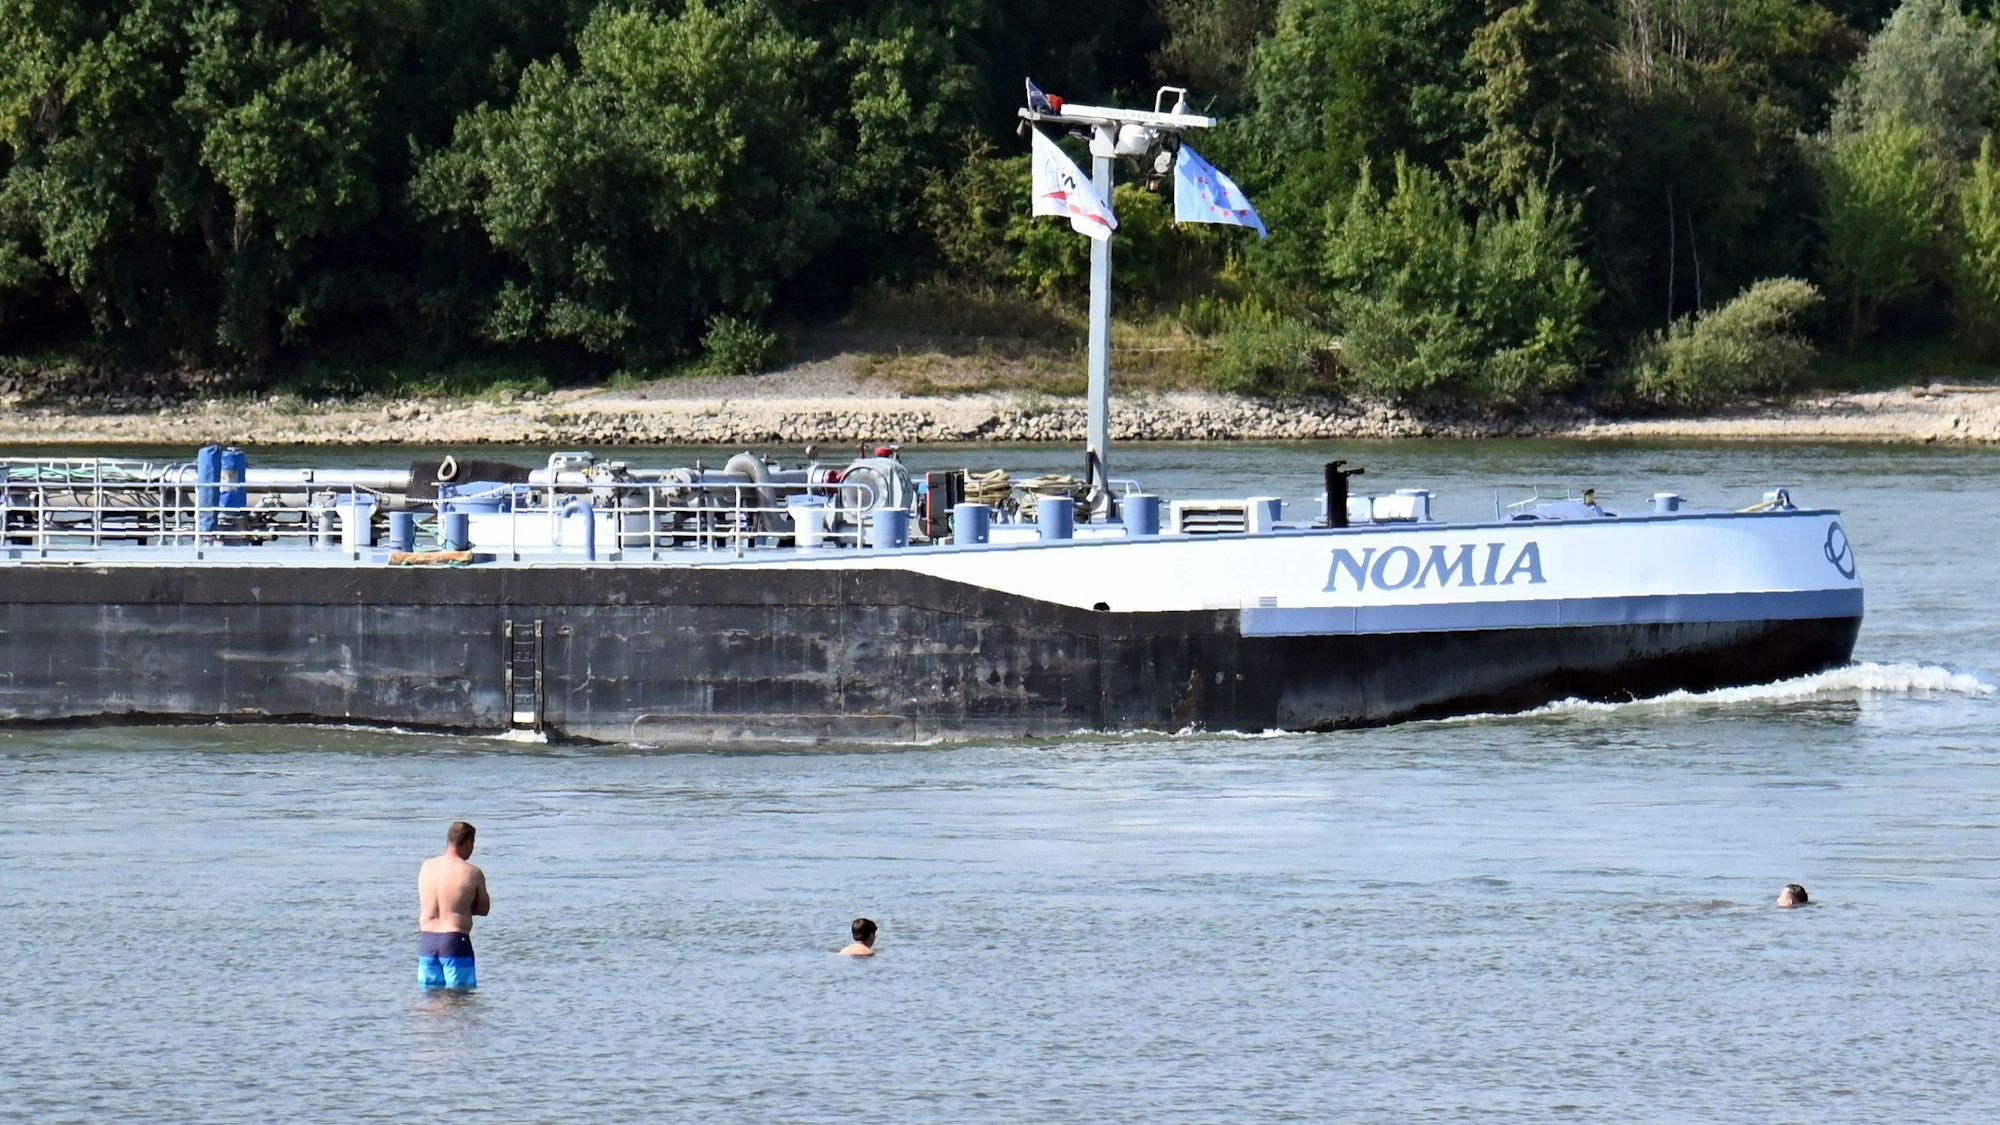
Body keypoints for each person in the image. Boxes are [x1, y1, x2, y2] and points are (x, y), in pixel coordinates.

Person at [418, 821, 491, 988]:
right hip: (455, 942)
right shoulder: (472, 872)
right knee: (460, 1000)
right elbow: (483, 909)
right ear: (468, 843)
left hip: (428, 942)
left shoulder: (426, 867)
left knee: (431, 1003)